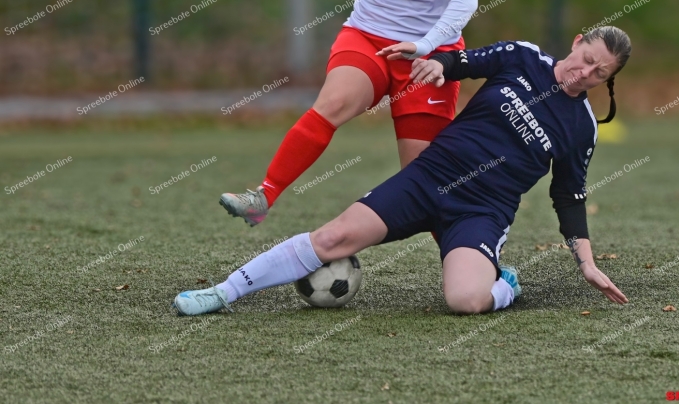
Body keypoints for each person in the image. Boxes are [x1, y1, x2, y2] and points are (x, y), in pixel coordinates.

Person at [174, 26, 632, 316]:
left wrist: (586, 263)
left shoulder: (582, 127)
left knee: (466, 301)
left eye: (598, 73)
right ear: (576, 42)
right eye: (585, 58)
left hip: (482, 211)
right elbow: (467, 62)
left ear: (607, 79)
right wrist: (439, 63)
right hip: (427, 178)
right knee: (332, 238)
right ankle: (223, 292)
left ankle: (504, 286)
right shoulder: (524, 56)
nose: (583, 73)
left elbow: (569, 195)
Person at [221, 0, 482, 227]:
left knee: (424, 179)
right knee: (334, 102)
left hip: (431, 54)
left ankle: (480, 260)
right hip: (367, 35)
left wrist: (425, 45)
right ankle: (263, 196)